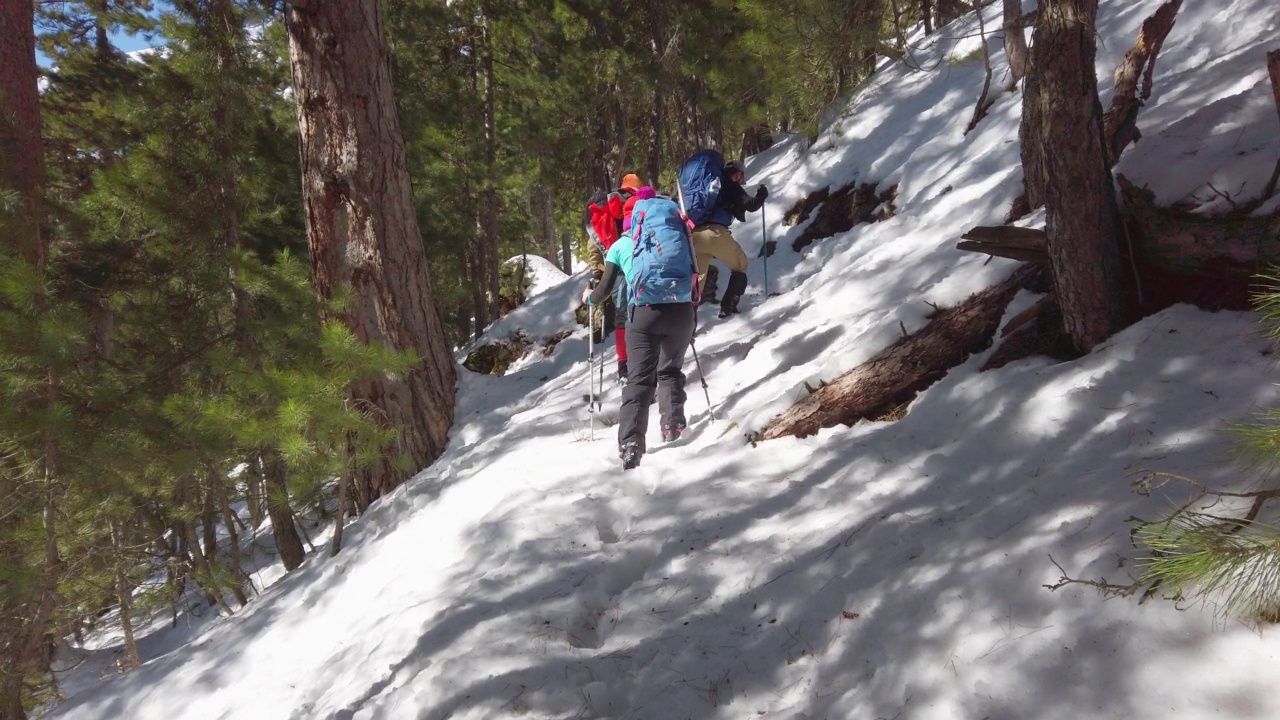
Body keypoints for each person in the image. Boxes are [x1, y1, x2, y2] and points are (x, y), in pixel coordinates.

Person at [583, 196, 695, 470]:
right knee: (669, 371)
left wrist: (588, 298)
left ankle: (632, 444)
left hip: (644, 315)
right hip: (681, 312)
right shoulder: (678, 236)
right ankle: (673, 426)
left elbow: (603, 291)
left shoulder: (621, 244)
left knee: (640, 382)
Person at [585, 174, 649, 380]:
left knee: (622, 320)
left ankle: (623, 367)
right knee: (645, 313)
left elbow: (593, 244)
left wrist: (597, 270)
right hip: (640, 265)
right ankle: (646, 364)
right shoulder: (641, 204)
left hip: (614, 267)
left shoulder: (607, 205)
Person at [690, 159, 768, 318]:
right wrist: (762, 194)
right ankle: (728, 307)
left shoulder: (710, 185)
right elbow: (752, 205)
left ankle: (687, 323)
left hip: (695, 236)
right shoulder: (732, 187)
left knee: (698, 281)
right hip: (715, 234)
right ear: (738, 174)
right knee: (741, 264)